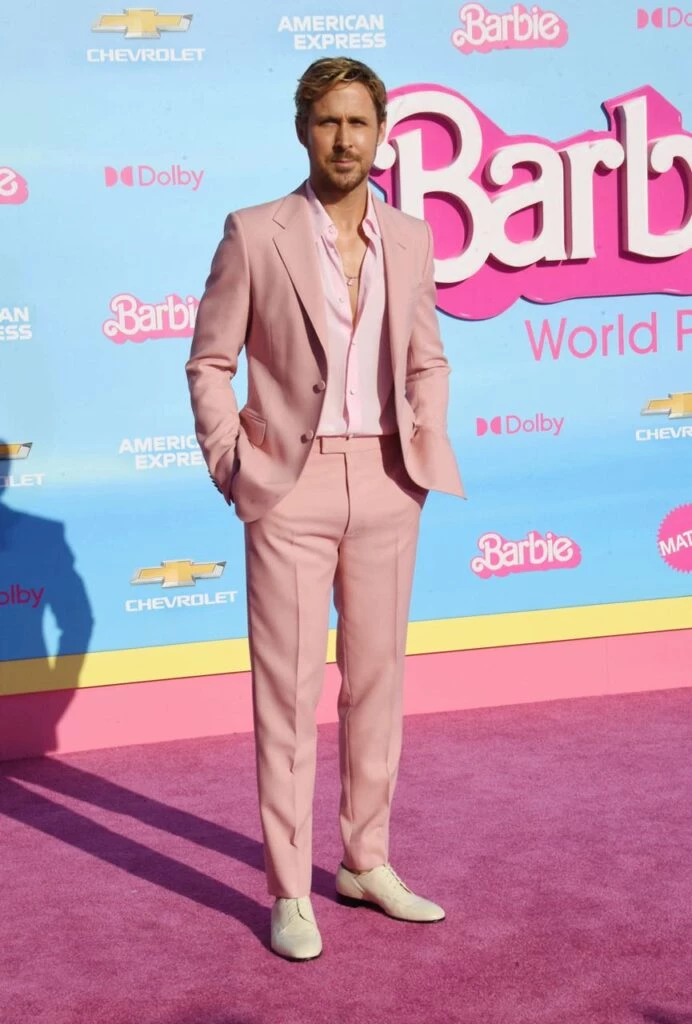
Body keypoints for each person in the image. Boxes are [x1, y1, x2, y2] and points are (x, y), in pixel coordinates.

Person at [186, 57, 464, 961]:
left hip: (387, 480)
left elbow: (427, 357)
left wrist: (421, 443)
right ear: (303, 130)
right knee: (289, 695)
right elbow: (210, 361)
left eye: (359, 122)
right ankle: (287, 890)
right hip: (288, 486)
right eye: (327, 122)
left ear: (381, 133)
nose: (344, 140)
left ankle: (365, 862)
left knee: (378, 685)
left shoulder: (411, 237)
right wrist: (233, 464)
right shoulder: (254, 232)